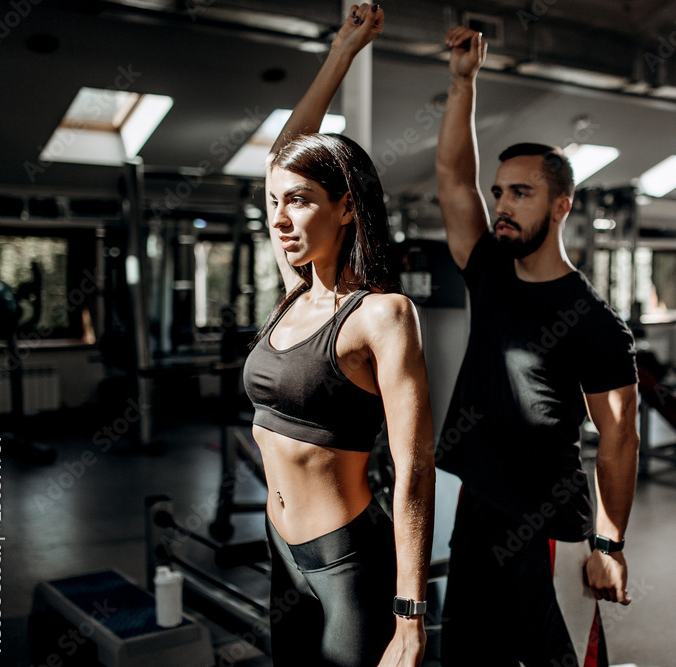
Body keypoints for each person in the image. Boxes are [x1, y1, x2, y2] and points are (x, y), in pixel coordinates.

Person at [435, 27, 640, 666]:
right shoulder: (489, 270)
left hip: (546, 525)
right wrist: (463, 82)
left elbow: (619, 438)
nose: (502, 205)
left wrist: (607, 546)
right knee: (468, 657)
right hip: (476, 507)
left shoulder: (594, 323)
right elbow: (451, 174)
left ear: (560, 207)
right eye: (500, 192)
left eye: (520, 193)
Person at [242, 5, 434, 666]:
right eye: (273, 202)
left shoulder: (382, 314)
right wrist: (341, 51)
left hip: (347, 564)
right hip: (280, 550)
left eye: (299, 200)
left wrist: (410, 615)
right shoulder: (295, 290)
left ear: (346, 206)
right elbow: (282, 156)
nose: (280, 218)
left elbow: (413, 468)